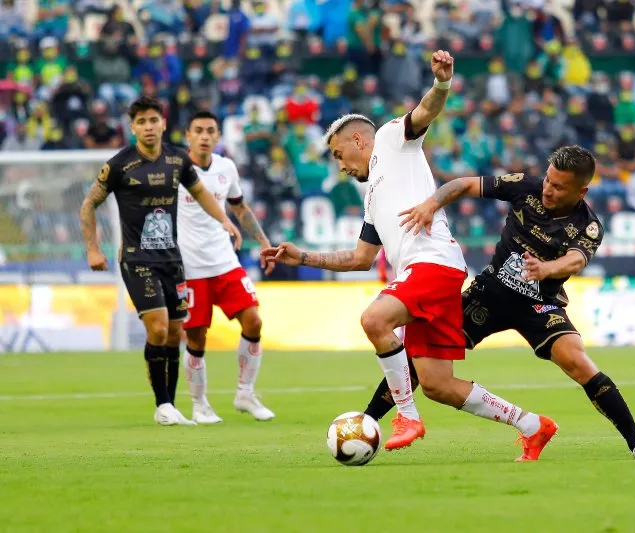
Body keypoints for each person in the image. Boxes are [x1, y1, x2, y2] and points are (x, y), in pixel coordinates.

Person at [262, 51, 557, 461]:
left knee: (374, 319)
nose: (340, 165)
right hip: (432, 273)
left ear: (357, 140)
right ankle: (532, 425)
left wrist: (441, 84)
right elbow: (360, 258)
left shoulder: (388, 140)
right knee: (438, 384)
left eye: (337, 154)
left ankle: (406, 416)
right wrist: (302, 257)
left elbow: (424, 113)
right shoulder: (373, 199)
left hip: (432, 263)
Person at [365, 146, 635, 460]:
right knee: (424, 357)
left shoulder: (588, 225)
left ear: (581, 192)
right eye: (548, 181)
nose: (548, 190)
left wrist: (546, 269)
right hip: (487, 295)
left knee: (578, 361)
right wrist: (431, 203)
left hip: (538, 305)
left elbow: (574, 260)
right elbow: (464, 184)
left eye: (558, 187)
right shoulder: (526, 187)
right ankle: (367, 422)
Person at [79, 97, 242, 426]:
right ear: (133, 127)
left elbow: (200, 194)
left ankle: (170, 406)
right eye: (142, 122)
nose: (149, 127)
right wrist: (93, 249)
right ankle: (163, 404)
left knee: (175, 332)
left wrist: (224, 220)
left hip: (172, 258)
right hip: (138, 259)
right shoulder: (119, 165)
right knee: (157, 326)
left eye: (154, 120)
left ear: (163, 124)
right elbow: (88, 205)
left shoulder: (176, 160)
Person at [178, 111, 276, 424]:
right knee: (196, 338)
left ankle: (245, 392)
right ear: (188, 136)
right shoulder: (175, 171)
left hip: (224, 261)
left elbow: (239, 207)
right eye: (198, 130)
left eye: (210, 131)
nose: (205, 136)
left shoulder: (226, 167)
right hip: (190, 268)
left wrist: (263, 242)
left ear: (218, 136)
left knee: (254, 321)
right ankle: (200, 404)